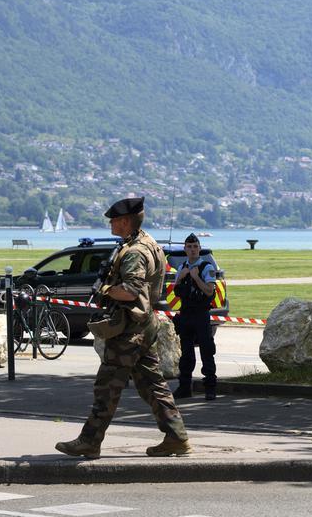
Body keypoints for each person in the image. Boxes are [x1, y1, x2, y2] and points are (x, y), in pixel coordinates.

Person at [55, 196, 191, 459]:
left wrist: (105, 289)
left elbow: (129, 291)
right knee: (152, 385)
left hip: (129, 329)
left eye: (114, 220)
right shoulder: (149, 243)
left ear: (126, 221)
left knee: (107, 386)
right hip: (144, 324)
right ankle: (176, 437)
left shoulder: (135, 252)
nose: (110, 224)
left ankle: (89, 441)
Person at [172, 232, 218, 401]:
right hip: (185, 314)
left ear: (199, 248)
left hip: (201, 314)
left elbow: (209, 291)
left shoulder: (207, 267)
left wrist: (196, 277)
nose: (192, 250)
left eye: (195, 247)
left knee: (207, 351)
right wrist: (181, 277)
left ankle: (210, 388)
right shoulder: (182, 267)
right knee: (186, 354)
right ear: (185, 249)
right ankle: (184, 387)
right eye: (189, 247)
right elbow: (177, 292)